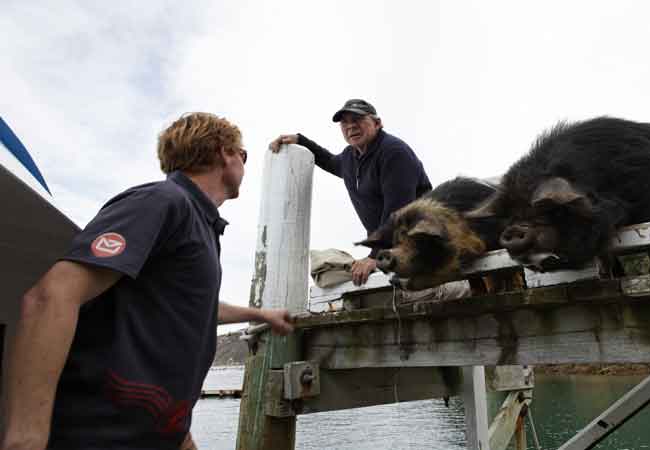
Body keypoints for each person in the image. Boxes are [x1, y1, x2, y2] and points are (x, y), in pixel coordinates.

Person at [0, 112, 293, 450]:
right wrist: (26, 438)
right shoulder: (163, 201)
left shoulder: (202, 225)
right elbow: (50, 297)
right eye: (243, 154)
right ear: (224, 152)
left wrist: (261, 315)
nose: (244, 164)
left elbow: (192, 309)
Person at [270, 99, 432, 286]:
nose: (350, 126)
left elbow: (399, 211)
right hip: (391, 248)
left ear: (377, 123)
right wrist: (300, 140)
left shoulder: (394, 152)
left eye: (357, 119)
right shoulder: (350, 157)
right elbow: (329, 160)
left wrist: (376, 257)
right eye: (344, 122)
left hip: (421, 245)